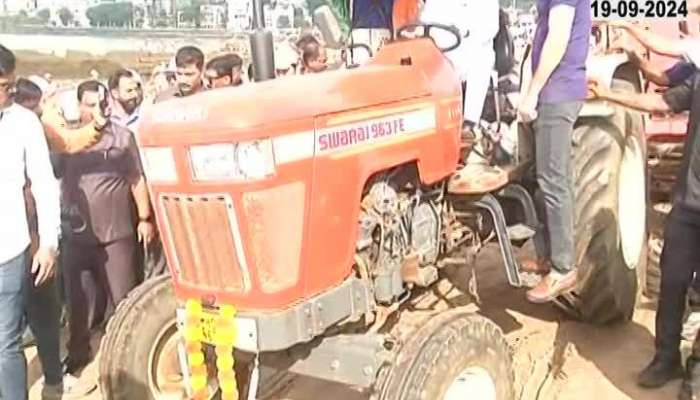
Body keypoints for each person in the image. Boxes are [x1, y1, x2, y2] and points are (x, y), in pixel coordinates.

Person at [589, 67, 700, 399]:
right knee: (672, 283)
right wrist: (608, 94)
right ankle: (666, 358)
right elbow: (661, 103)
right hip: (688, 205)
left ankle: (696, 372)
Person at [60, 80, 155, 373]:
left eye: (101, 104)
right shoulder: (66, 141)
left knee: (125, 297)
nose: (96, 111)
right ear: (79, 106)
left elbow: (136, 178)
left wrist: (144, 218)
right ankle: (78, 354)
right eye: (89, 104)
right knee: (80, 301)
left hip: (117, 233)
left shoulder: (122, 137)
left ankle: (127, 361)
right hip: (77, 234)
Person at [13, 77, 97, 399]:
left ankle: (52, 378)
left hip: (34, 240)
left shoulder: (31, 126)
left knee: (44, 313)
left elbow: (71, 143)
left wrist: (96, 127)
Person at [517, 0, 591, 303]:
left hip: (558, 92)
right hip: (551, 91)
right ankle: (547, 256)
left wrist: (532, 93)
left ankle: (563, 267)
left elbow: (558, 37)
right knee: (537, 176)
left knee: (552, 179)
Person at [0, 44, 61, 400]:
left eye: (9, 86)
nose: (6, 94)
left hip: (10, 250)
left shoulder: (23, 123)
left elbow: (44, 183)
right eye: (1, 86)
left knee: (5, 343)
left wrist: (49, 243)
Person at [420, 0, 499, 138]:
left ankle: (470, 122)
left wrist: (465, 32)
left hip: (470, 52)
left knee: (482, 58)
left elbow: (489, 29)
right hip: (439, 54)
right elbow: (425, 22)